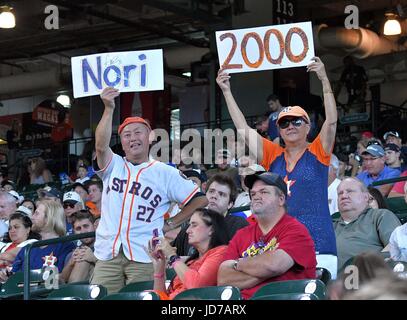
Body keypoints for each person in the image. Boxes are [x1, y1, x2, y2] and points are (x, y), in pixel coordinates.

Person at [216, 56, 338, 277]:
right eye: (284, 123)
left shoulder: (318, 151)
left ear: (309, 126)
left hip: (319, 241)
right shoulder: (273, 155)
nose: (290, 126)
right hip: (279, 249)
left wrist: (323, 79)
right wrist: (226, 91)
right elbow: (243, 128)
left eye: (296, 121)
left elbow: (331, 121)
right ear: (279, 130)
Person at [90, 87, 207, 294]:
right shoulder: (114, 164)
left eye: (138, 132)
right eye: (126, 135)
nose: (132, 138)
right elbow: (100, 146)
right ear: (122, 143)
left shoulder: (165, 172)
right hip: (108, 254)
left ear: (150, 137)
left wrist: (171, 222)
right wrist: (109, 108)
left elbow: (200, 200)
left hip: (145, 255)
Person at [217, 172, 316, 299]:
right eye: (253, 194)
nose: (256, 197)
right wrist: (264, 271)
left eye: (263, 192)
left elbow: (274, 265)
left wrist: (239, 264)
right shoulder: (241, 234)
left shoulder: (296, 231)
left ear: (281, 199)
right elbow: (223, 278)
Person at [146, 208, 229, 299]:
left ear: (211, 229)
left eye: (194, 225)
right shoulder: (191, 262)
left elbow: (196, 286)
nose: (187, 230)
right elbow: (160, 297)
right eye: (189, 225)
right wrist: (159, 268)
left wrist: (172, 256)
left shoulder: (221, 252)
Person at [333, 177, 401, 271]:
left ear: (366, 197)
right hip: (331, 281)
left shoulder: (380, 216)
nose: (344, 196)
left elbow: (397, 247)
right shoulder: (331, 225)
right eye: (340, 193)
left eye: (350, 191)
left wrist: (367, 267)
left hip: (371, 278)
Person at [172, 174, 248, 257]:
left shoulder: (238, 225)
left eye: (221, 194)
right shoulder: (189, 228)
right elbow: (173, 253)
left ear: (230, 204)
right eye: (211, 191)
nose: (214, 196)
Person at [5, 200, 75, 277]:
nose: (32, 217)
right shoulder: (27, 248)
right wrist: (6, 277)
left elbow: (61, 280)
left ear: (48, 218)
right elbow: (13, 277)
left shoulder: (66, 246)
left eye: (37, 213)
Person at [61, 210, 97, 283]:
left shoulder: (104, 248)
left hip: (99, 289)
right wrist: (71, 263)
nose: (83, 231)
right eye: (78, 228)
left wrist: (93, 258)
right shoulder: (72, 254)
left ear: (94, 226)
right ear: (74, 232)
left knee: (82, 260)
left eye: (86, 226)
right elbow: (62, 280)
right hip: (80, 289)